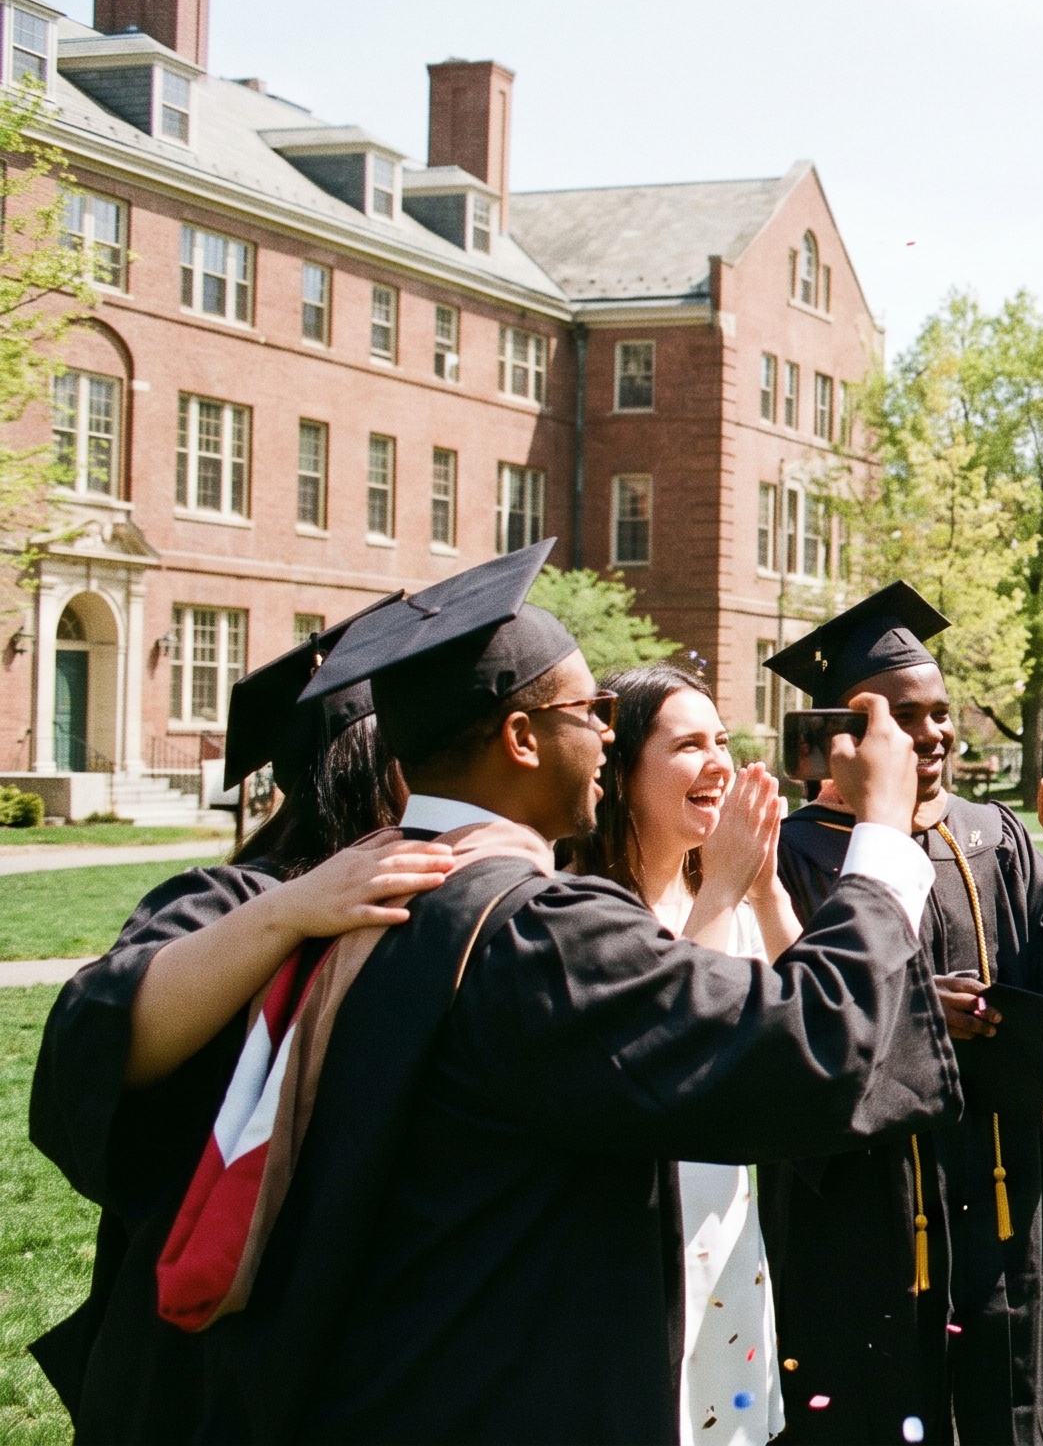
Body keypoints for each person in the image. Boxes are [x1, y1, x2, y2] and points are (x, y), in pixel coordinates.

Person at [193, 540, 964, 1444]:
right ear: (521, 738)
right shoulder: (534, 931)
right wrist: (879, 838)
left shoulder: (360, 904)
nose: (607, 732)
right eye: (590, 712)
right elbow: (808, 1050)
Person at [26, 604, 453, 1444]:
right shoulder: (228, 900)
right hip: (207, 1337)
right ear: (388, 773)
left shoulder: (434, 907)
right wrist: (288, 913)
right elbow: (97, 1038)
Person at [763, 581, 1043, 1446]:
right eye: (906, 716)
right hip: (866, 1199)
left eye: (941, 712)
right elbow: (782, 1026)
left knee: (1009, 1401)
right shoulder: (793, 856)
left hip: (998, 1178)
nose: (934, 733)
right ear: (846, 731)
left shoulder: (990, 835)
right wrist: (909, 1018)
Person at [568, 663, 801, 1446]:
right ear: (624, 771)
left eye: (724, 741)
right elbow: (672, 1038)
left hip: (726, 1239)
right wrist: (724, 894)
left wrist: (764, 892)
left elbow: (811, 1034)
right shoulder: (580, 909)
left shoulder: (728, 897)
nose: (719, 763)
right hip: (629, 1249)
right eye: (688, 744)